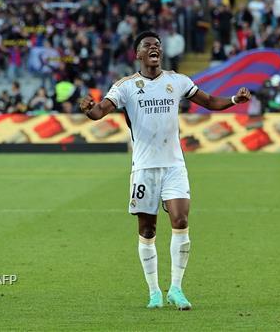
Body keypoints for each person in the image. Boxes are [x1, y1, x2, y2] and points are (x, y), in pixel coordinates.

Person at [79, 31, 250, 311]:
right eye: (148, 46)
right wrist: (88, 109)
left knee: (181, 220)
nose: (154, 48)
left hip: (174, 166)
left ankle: (177, 288)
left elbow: (208, 101)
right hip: (144, 168)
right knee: (147, 229)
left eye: (157, 45)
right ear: (138, 55)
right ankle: (154, 291)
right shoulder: (126, 86)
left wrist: (233, 100)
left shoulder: (177, 81)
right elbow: (100, 112)